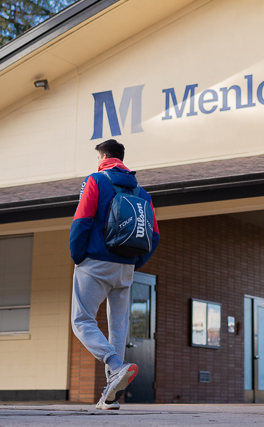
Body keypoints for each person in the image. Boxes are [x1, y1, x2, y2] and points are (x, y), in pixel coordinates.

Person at [70, 139, 160, 410]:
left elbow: (82, 219)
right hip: (125, 267)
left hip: (95, 262)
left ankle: (115, 364)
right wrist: (135, 263)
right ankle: (111, 395)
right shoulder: (142, 192)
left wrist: (78, 256)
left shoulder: (96, 180)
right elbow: (154, 235)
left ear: (104, 156)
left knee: (82, 320)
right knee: (118, 327)